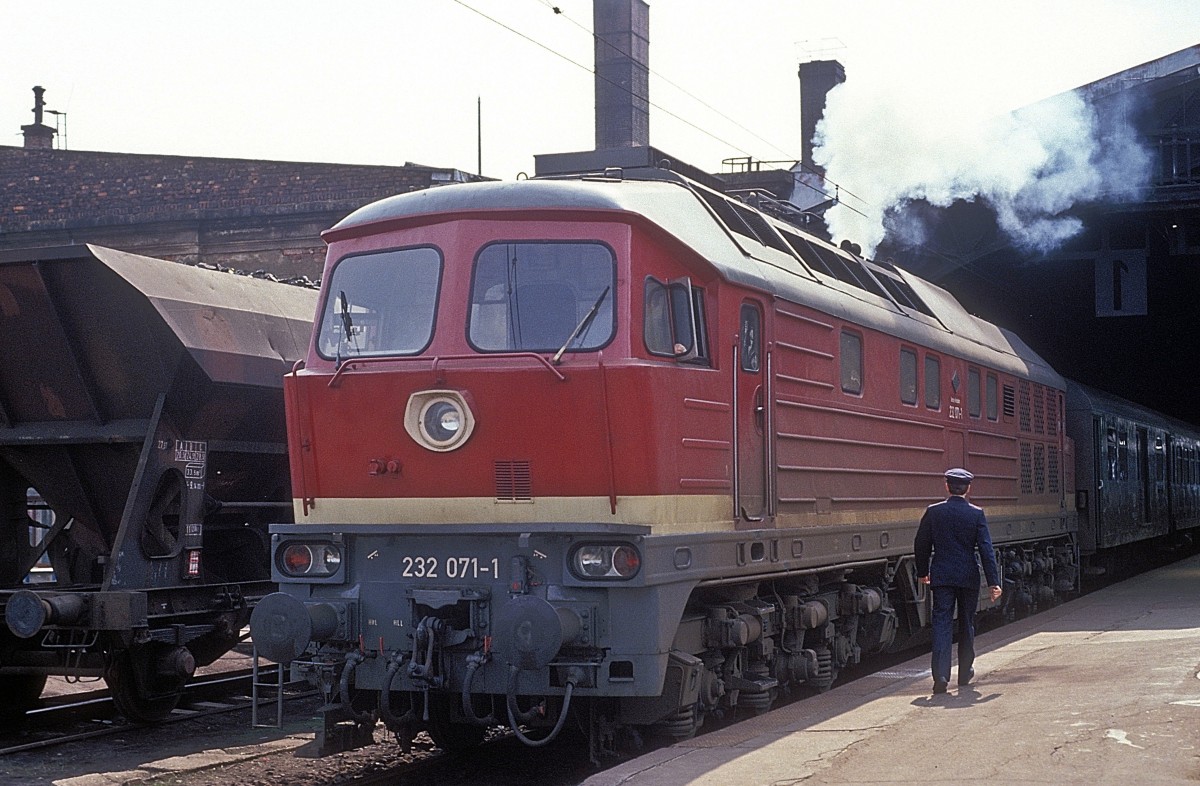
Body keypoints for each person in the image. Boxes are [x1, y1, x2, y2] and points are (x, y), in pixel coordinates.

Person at [914, 468, 1003, 694]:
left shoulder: (933, 512)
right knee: (967, 623)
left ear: (947, 486)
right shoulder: (976, 514)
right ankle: (964, 673)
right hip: (967, 577)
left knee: (942, 624)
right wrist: (994, 582)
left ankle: (941, 676)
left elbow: (921, 544)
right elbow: (986, 550)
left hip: (942, 577)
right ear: (968, 488)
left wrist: (922, 572)